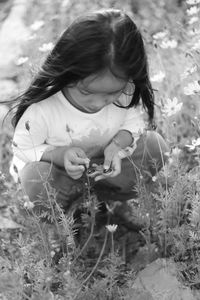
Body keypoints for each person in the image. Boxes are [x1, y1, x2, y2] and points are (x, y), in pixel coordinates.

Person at [10, 9, 169, 219]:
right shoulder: (44, 107)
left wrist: (117, 147)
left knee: (154, 145)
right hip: (60, 177)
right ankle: (60, 220)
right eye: (86, 92)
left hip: (102, 172)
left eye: (112, 93)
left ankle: (108, 202)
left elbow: (134, 123)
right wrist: (60, 155)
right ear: (67, 71)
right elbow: (23, 148)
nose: (97, 103)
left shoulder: (125, 92)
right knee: (34, 177)